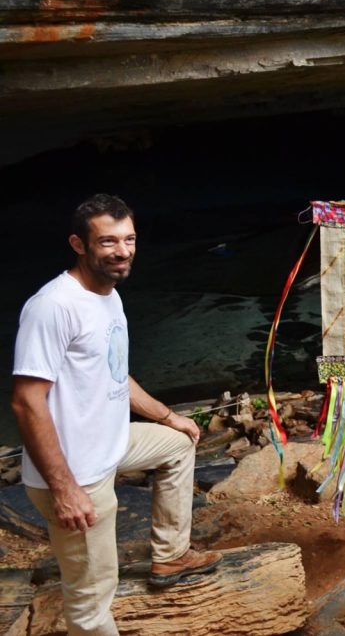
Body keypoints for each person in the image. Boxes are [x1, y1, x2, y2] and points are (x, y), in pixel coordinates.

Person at [11, 194, 222, 636]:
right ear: (78, 244)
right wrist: (65, 488)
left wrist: (167, 417)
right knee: (91, 603)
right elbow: (26, 401)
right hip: (77, 472)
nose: (122, 251)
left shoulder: (108, 296)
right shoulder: (53, 306)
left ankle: (170, 556)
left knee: (178, 445)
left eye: (129, 239)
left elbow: (115, 373)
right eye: (108, 241)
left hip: (110, 443)